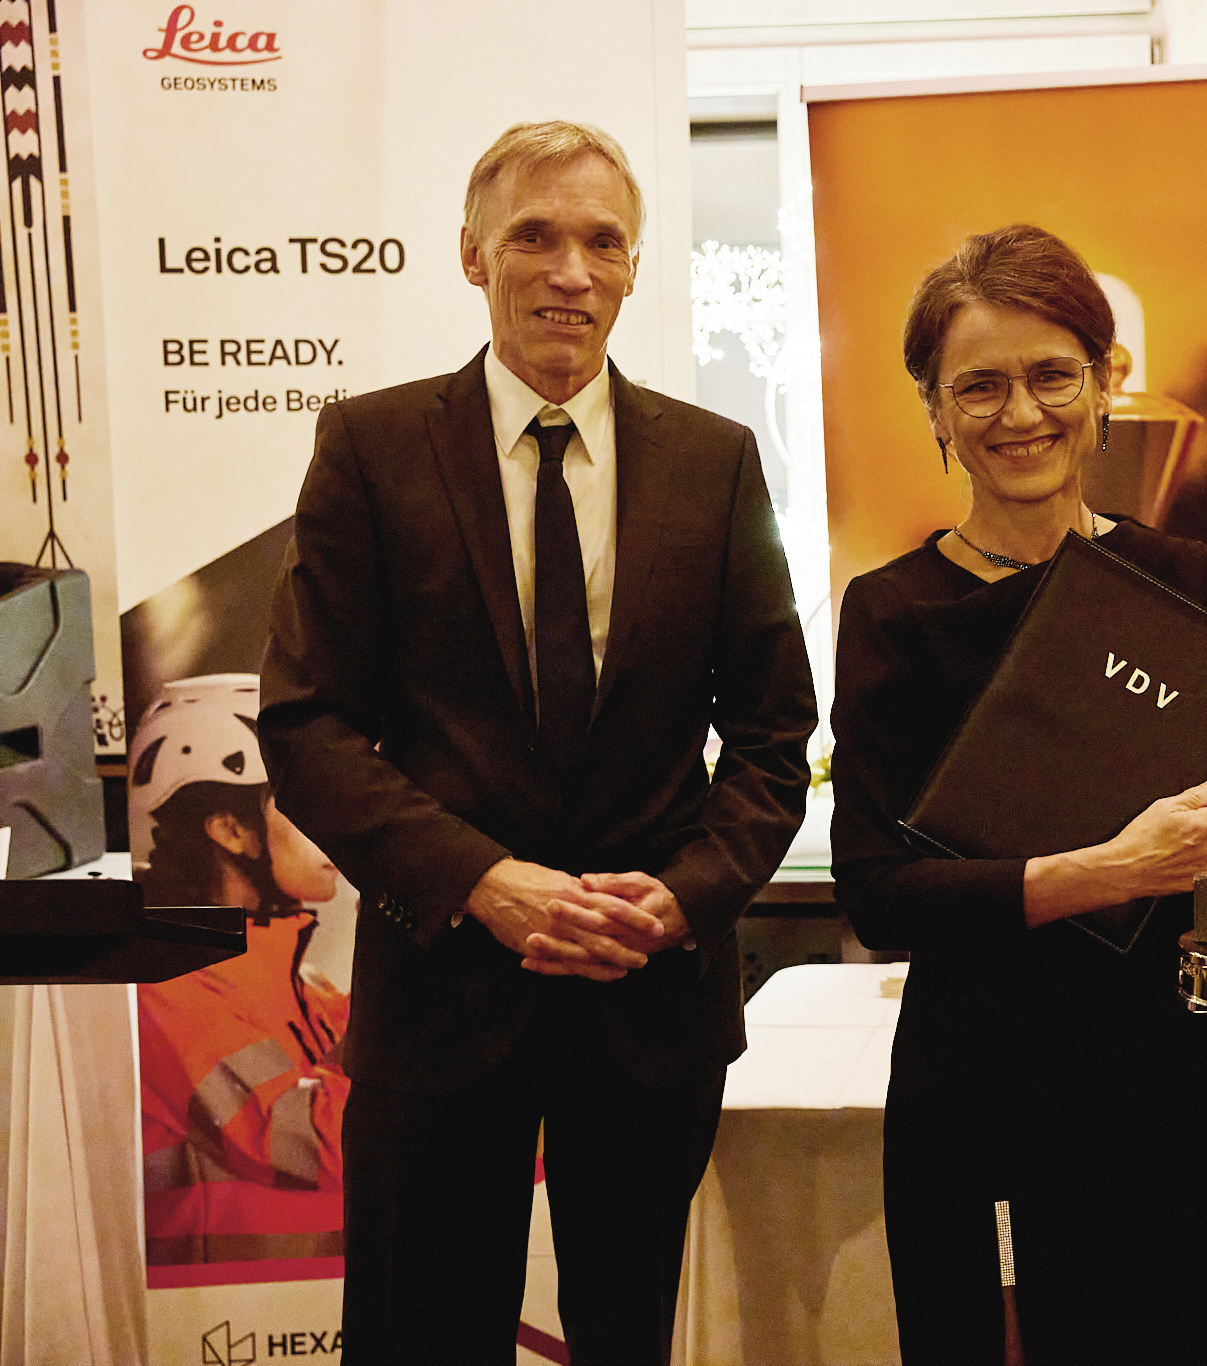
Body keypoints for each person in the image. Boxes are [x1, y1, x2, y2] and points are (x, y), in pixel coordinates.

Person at [259, 121, 815, 1365]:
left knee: (633, 1338)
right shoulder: (371, 449)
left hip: (649, 998)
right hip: (441, 993)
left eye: (602, 242)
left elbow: (775, 730)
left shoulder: (715, 461)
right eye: (535, 237)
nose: (571, 270)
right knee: (419, 1339)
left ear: (633, 268)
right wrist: (483, 882)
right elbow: (307, 723)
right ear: (473, 255)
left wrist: (683, 898)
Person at [832, 223, 1207, 1366]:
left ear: (1103, 384)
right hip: (987, 1086)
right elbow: (878, 891)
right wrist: (1105, 873)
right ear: (934, 409)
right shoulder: (893, 613)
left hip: (1175, 1083)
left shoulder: (1184, 581)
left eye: (1051, 375)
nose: (1020, 413)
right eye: (978, 386)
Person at [133, 673, 352, 1267]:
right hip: (224, 1310)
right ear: (230, 829)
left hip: (307, 1298)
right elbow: (318, 1143)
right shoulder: (168, 989)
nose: (342, 825)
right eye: (309, 804)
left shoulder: (302, 983)